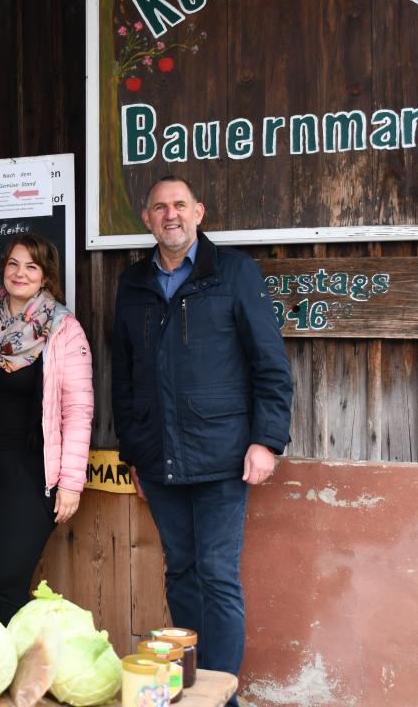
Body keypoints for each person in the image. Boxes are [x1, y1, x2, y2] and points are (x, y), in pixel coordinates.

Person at [111, 176, 292, 698]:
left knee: (217, 575)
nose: (171, 215)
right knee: (182, 572)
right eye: (160, 207)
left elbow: (271, 366)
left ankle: (221, 694)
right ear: (146, 219)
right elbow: (124, 376)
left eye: (180, 206)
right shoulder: (132, 284)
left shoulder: (234, 274)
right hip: (159, 458)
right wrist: (134, 455)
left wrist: (267, 441)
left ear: (199, 213)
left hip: (223, 456)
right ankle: (189, 689)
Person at [0, 233, 93, 625]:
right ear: (3, 269)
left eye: (31, 266)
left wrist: (72, 483)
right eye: (13, 264)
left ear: (46, 277)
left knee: (8, 579)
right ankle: (14, 672)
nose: (20, 273)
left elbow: (77, 411)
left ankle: (18, 673)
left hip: (29, 472)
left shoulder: (63, 330)